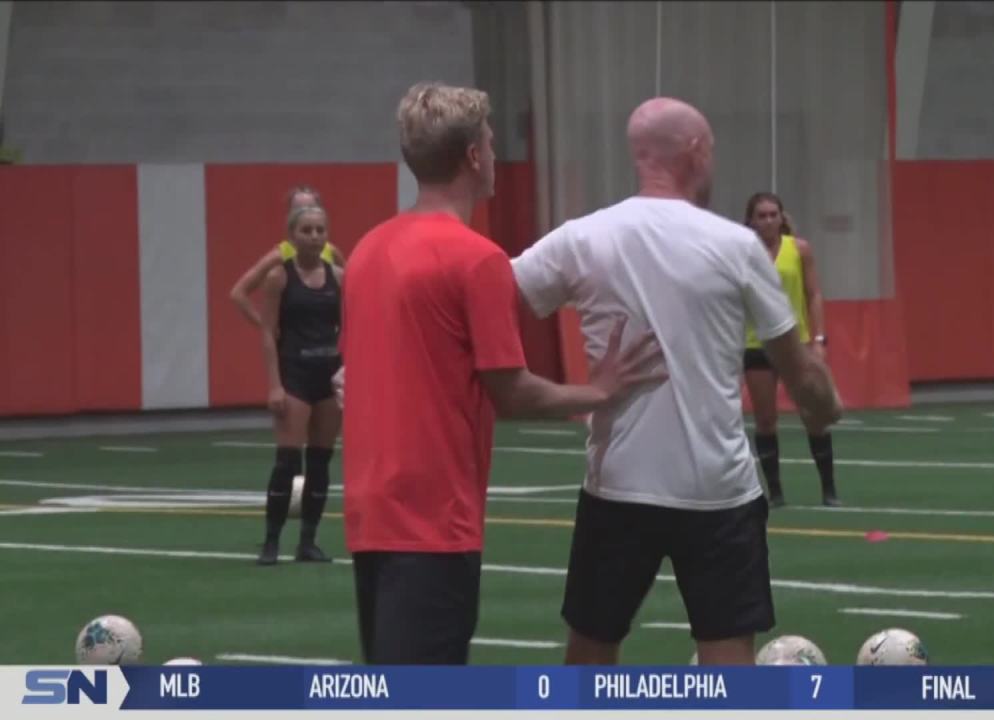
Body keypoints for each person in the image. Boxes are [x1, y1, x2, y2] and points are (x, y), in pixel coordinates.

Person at [339, 82, 665, 666]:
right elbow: (510, 390)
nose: (494, 154)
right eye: (490, 143)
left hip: (371, 513)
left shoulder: (366, 250)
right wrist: (600, 390)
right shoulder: (477, 259)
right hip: (436, 520)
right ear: (472, 157)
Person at [510, 97, 842, 666]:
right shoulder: (736, 246)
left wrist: (572, 393)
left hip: (618, 484)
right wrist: (827, 407)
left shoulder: (583, 238)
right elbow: (798, 369)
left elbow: (485, 302)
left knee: (589, 654)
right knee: (728, 663)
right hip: (718, 490)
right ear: (694, 152)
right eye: (710, 150)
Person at [254, 203, 343, 565]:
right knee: (288, 463)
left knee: (320, 461)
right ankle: (271, 541)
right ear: (293, 236)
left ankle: (308, 540)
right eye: (306, 231)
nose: (314, 237)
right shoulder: (279, 277)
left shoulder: (339, 275)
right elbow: (266, 332)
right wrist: (274, 385)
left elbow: (353, 326)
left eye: (320, 230)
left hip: (328, 375)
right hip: (295, 375)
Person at [742, 192, 840, 508]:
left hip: (794, 343)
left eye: (773, 214)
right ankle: (776, 493)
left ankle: (829, 490)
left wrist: (819, 340)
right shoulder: (742, 251)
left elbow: (813, 294)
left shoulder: (798, 249)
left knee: (812, 413)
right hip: (756, 344)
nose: (769, 220)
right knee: (766, 419)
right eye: (762, 215)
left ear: (782, 217)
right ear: (752, 220)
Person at [229, 185, 347, 329]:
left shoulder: (332, 252)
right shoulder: (279, 255)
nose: (306, 213)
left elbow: (351, 293)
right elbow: (239, 293)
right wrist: (266, 327)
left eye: (311, 208)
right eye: (299, 209)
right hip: (293, 344)